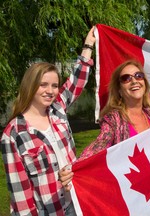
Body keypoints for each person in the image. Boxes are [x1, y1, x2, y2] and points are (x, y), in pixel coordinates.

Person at [59, 59, 150, 216]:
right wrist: (73, 169)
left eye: (138, 76)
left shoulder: (148, 110)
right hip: (132, 198)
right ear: (120, 90)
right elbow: (98, 145)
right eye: (126, 78)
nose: (134, 81)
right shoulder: (114, 118)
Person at [1, 27, 96, 215]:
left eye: (54, 85)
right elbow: (20, 195)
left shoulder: (57, 109)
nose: (50, 91)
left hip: (78, 202)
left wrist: (88, 45)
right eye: (43, 85)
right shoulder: (13, 134)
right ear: (30, 86)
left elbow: (77, 80)